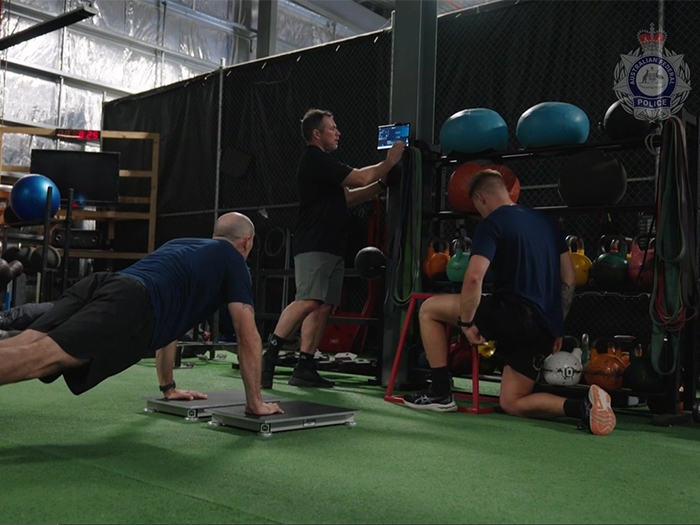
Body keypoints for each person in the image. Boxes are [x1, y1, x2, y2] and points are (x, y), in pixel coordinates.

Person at [0, 212, 283, 417]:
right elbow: (248, 337)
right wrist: (255, 402)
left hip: (105, 282)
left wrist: (168, 386)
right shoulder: (234, 261)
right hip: (131, 300)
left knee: (28, 341)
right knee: (43, 358)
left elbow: (171, 321)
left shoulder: (182, 245)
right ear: (246, 242)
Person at [403, 169, 617, 436]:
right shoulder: (547, 223)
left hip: (512, 314)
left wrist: (467, 322)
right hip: (543, 327)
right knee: (512, 402)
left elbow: (473, 278)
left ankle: (440, 393)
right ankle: (583, 408)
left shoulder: (491, 223)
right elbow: (569, 279)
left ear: (481, 198)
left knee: (429, 310)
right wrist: (556, 326)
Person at [261, 108, 405, 388]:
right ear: (317, 134)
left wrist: (382, 183)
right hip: (314, 242)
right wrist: (389, 161)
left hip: (331, 243)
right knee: (308, 300)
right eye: (332, 128)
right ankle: (269, 356)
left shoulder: (325, 163)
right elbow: (362, 177)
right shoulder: (314, 159)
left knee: (323, 306)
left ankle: (304, 366)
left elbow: (350, 197)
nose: (337, 132)